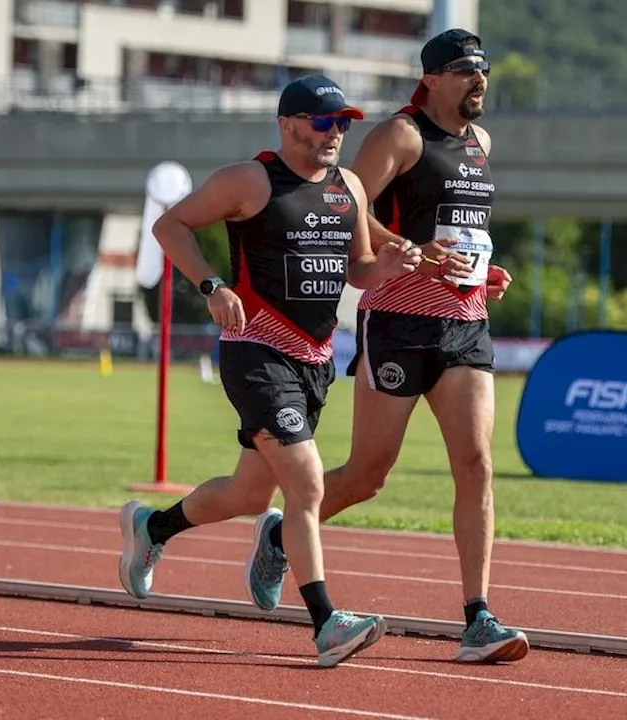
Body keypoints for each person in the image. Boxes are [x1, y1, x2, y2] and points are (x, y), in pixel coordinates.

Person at [117, 74, 424, 668]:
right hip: (255, 350)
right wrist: (211, 286)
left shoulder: (351, 188)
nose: (335, 133)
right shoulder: (249, 180)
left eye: (343, 123)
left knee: (247, 492)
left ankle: (152, 529)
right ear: (288, 125)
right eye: (323, 122)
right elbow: (169, 226)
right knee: (305, 483)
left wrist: (385, 265)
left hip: (314, 360)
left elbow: (356, 269)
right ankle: (327, 623)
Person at [247, 29, 528, 664]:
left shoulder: (481, 143)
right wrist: (402, 250)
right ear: (431, 80)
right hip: (397, 321)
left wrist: (483, 270)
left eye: (483, 70)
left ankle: (477, 617)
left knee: (477, 463)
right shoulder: (399, 137)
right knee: (370, 474)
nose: (478, 81)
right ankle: (281, 536)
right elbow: (343, 204)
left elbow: (462, 230)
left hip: (464, 321)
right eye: (463, 71)